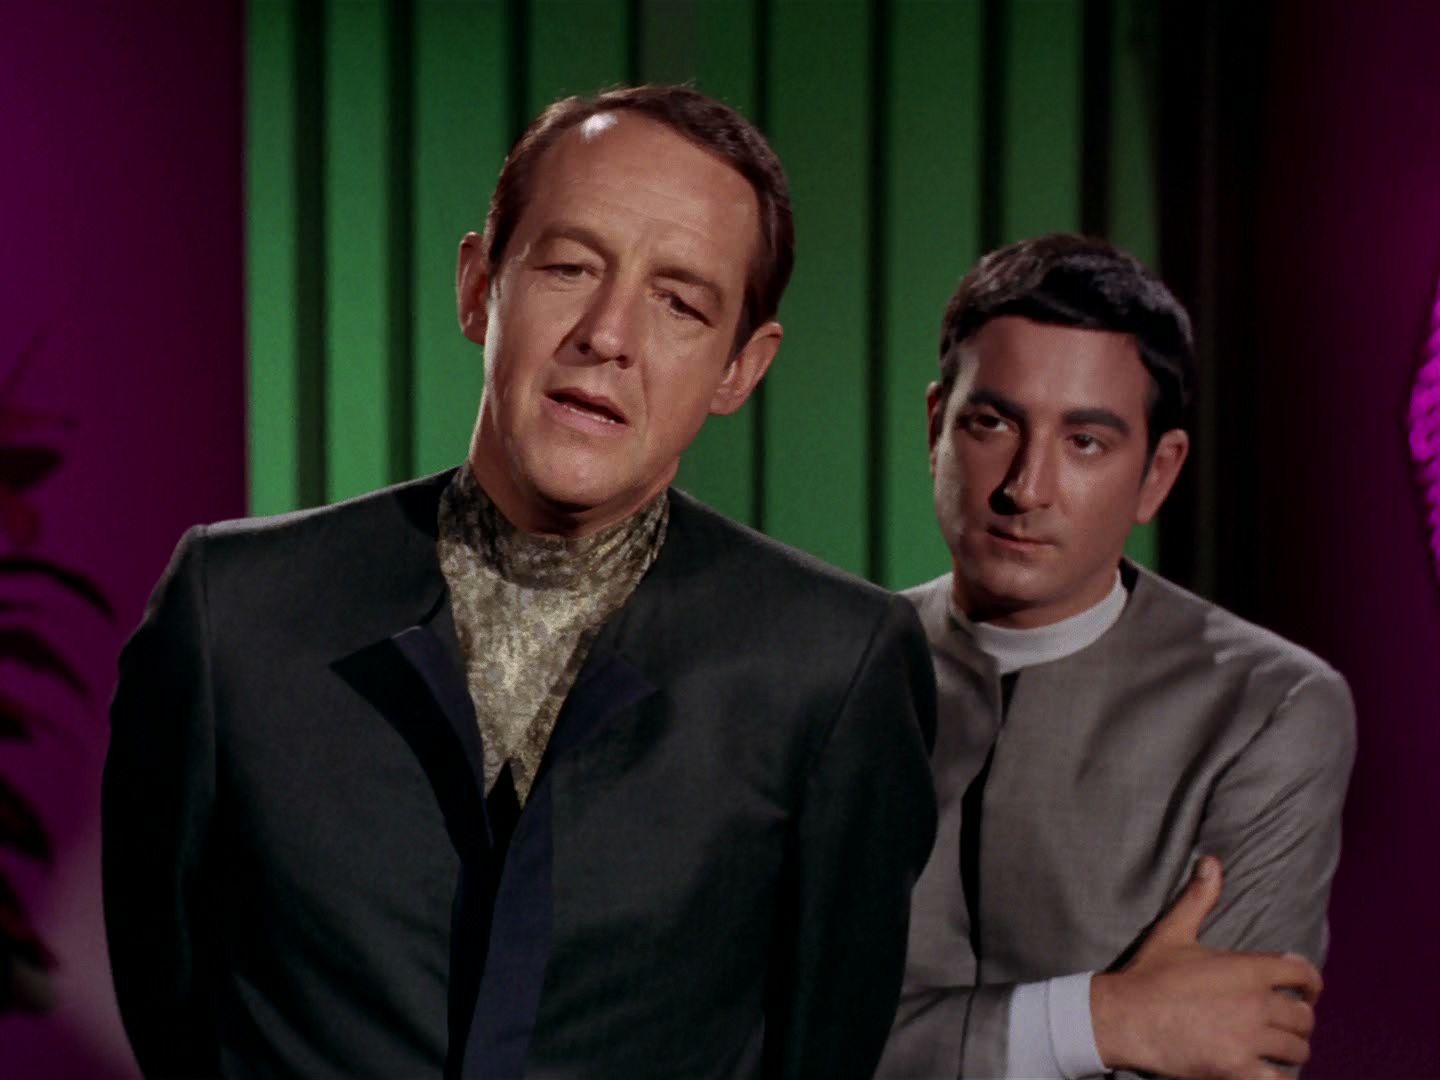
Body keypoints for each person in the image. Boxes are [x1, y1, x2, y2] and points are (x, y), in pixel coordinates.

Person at [102, 85, 936, 1080]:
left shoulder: (832, 669)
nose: (608, 333)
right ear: (478, 286)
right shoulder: (232, 611)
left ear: (739, 370)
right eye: (570, 266)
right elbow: (169, 1004)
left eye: (680, 302)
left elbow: (824, 1046)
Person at [878, 234, 1355, 1080]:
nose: (1026, 487)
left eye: (1086, 442)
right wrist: (1103, 1021)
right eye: (992, 423)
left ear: (1158, 474)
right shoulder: (832, 671)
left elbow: (1226, 1054)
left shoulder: (1268, 707)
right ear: (935, 427)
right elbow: (739, 1036)